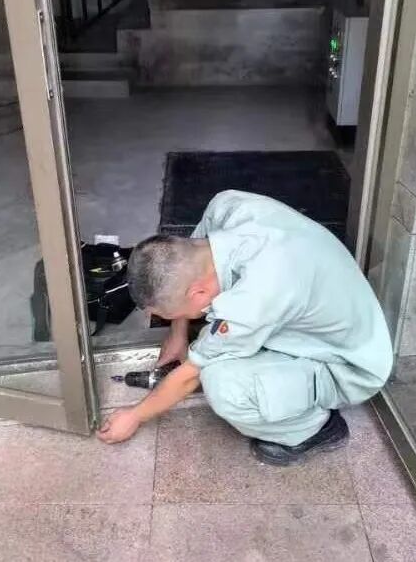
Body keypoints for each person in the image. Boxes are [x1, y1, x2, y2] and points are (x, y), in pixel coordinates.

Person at [97, 190, 393, 466]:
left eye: (171, 314)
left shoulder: (252, 300)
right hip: (335, 316)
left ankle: (313, 430)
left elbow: (189, 377)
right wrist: (178, 334)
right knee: (218, 341)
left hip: (347, 364)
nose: (172, 319)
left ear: (198, 293)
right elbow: (183, 269)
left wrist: (135, 415)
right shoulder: (227, 208)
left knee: (223, 384)